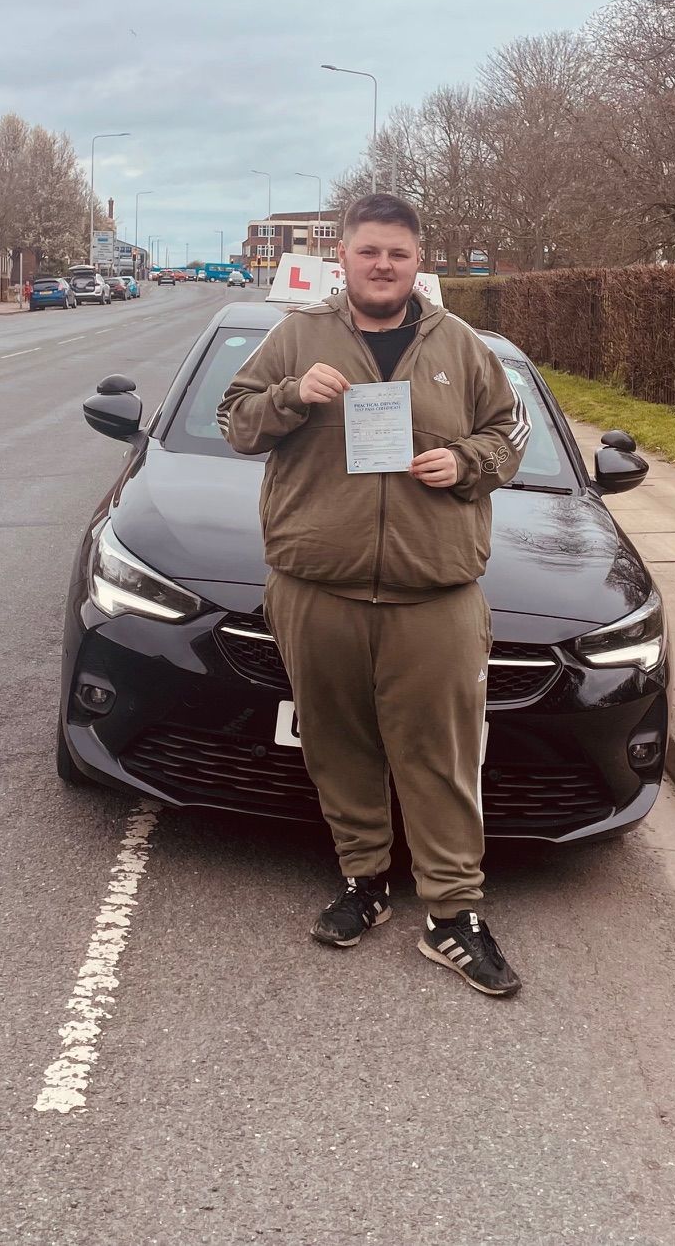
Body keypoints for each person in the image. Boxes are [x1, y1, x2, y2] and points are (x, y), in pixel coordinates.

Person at [217, 194, 531, 997]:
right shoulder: (296, 337)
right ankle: (364, 881)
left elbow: (508, 434)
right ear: (344, 258)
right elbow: (235, 422)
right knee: (336, 743)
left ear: (417, 260)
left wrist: (466, 463)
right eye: (368, 251)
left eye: (397, 252)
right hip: (316, 586)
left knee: (442, 754)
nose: (382, 265)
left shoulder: (461, 345)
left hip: (433, 591)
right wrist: (292, 396)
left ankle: (451, 913)